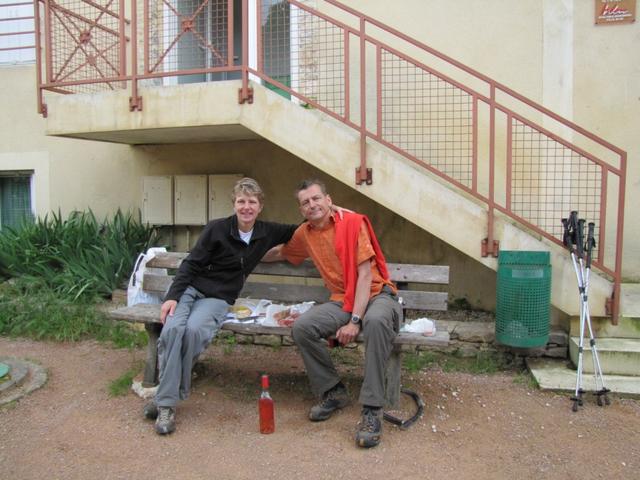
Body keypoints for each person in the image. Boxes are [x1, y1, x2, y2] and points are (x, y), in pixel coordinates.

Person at [143, 177, 298, 435]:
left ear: (260, 207)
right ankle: (167, 402)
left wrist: (334, 212)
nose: (246, 207)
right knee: (172, 331)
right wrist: (173, 296)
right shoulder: (217, 229)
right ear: (234, 204)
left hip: (217, 298)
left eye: (251, 202)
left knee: (192, 332)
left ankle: (163, 400)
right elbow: (192, 264)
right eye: (241, 201)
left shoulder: (267, 232)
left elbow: (304, 228)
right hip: (189, 290)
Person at [272, 179, 402, 449]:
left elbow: (366, 275)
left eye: (316, 198)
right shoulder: (304, 234)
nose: (312, 205)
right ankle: (333, 391)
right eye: (305, 202)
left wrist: (355, 321)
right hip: (341, 300)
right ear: (301, 209)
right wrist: (242, 253)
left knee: (376, 322)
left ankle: (372, 409)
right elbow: (282, 253)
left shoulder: (353, 223)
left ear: (328, 200)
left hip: (377, 294)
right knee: (302, 328)